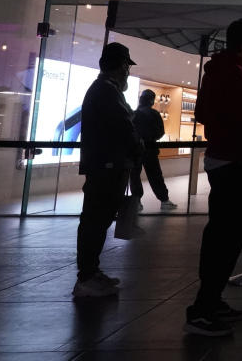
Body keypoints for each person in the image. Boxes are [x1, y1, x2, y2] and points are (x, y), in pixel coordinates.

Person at [185, 19, 242, 337]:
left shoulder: (217, 71)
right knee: (230, 233)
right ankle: (203, 308)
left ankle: (212, 300)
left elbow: (205, 114)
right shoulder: (234, 74)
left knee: (222, 230)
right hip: (235, 158)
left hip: (221, 157)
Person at [73, 42, 144, 298]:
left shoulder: (105, 90)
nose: (128, 72)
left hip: (106, 165)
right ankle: (87, 276)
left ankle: (91, 272)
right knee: (95, 220)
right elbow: (124, 126)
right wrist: (136, 147)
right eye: (127, 66)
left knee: (97, 220)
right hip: (106, 166)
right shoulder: (106, 91)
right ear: (122, 66)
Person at [129, 89, 176, 212]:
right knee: (155, 176)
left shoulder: (134, 114)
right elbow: (160, 132)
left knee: (134, 176)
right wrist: (150, 138)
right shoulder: (154, 114)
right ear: (151, 100)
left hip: (136, 150)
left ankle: (136, 201)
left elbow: (130, 132)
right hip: (150, 150)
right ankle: (164, 200)